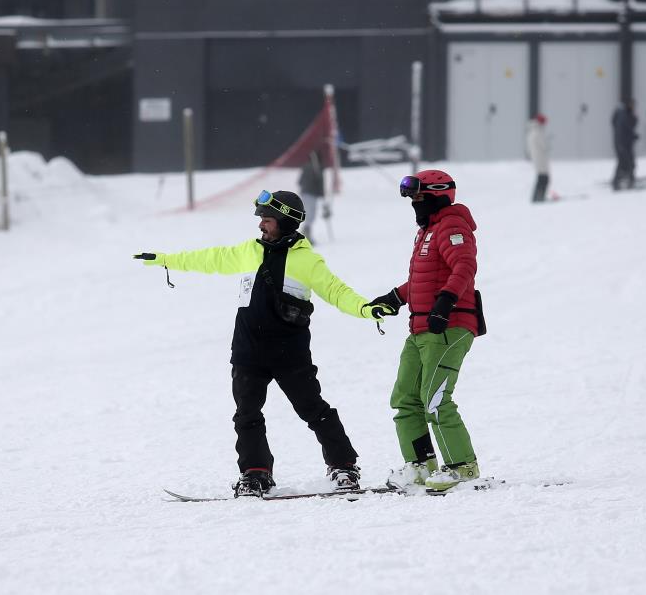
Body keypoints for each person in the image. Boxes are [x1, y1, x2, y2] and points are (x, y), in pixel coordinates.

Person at [134, 190, 385, 497]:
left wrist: (365, 308)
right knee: (247, 415)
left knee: (314, 410)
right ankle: (255, 473)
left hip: (289, 354)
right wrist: (165, 259)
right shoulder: (249, 251)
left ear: (286, 221)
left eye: (266, 220)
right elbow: (209, 259)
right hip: (247, 352)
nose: (261, 226)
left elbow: (337, 291)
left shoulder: (307, 261)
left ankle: (343, 466)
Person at [366, 170, 484, 492]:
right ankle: (420, 465)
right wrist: (395, 298)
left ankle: (462, 466)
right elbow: (423, 281)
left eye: (419, 198)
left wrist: (445, 302)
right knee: (405, 397)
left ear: (437, 195)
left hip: (450, 326)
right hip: (420, 328)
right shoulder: (427, 231)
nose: (415, 205)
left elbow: (464, 265)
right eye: (412, 200)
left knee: (434, 397)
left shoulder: (452, 226)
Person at [298, 151, 328, 243]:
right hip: (310, 194)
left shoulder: (313, 167)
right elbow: (319, 183)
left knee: (310, 213)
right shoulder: (316, 168)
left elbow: (300, 181)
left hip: (307, 193)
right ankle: (306, 234)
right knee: (310, 214)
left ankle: (307, 232)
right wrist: (321, 193)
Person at [612, 99, 639, 191]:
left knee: (627, 163)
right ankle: (621, 182)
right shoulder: (623, 115)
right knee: (626, 163)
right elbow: (624, 129)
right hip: (623, 144)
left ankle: (626, 181)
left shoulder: (626, 114)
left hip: (624, 143)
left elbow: (630, 126)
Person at [526, 113, 551, 203]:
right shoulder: (538, 132)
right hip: (541, 159)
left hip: (536, 159)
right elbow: (545, 146)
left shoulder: (532, 131)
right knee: (544, 179)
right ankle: (539, 197)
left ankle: (536, 197)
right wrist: (548, 141)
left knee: (540, 178)